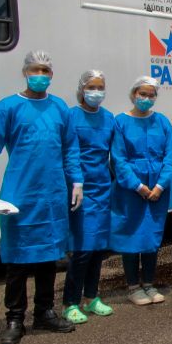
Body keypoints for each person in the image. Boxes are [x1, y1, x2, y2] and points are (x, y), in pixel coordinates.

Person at [0, 51, 81, 344]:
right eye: (35, 68)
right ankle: (15, 318)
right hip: (21, 193)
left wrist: (76, 180)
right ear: (25, 71)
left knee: (47, 259)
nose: (40, 73)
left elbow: (70, 148)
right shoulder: (9, 107)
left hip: (52, 195)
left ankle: (44, 312)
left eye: (45, 69)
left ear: (52, 74)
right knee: (17, 260)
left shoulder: (59, 108)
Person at [110, 76, 172, 306]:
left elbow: (170, 158)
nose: (147, 99)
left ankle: (149, 283)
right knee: (131, 236)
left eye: (151, 95)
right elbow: (118, 159)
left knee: (151, 236)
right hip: (131, 189)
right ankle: (132, 286)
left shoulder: (162, 122)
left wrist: (159, 186)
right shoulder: (120, 122)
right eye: (142, 94)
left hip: (158, 189)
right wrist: (137, 186)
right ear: (133, 94)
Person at [62, 70, 115, 324]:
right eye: (92, 86)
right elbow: (68, 152)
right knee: (82, 249)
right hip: (79, 189)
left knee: (98, 249)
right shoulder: (71, 116)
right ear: (82, 89)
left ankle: (92, 297)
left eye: (100, 87)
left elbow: (114, 153)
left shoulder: (108, 118)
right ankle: (70, 302)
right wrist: (76, 181)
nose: (96, 92)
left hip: (103, 187)